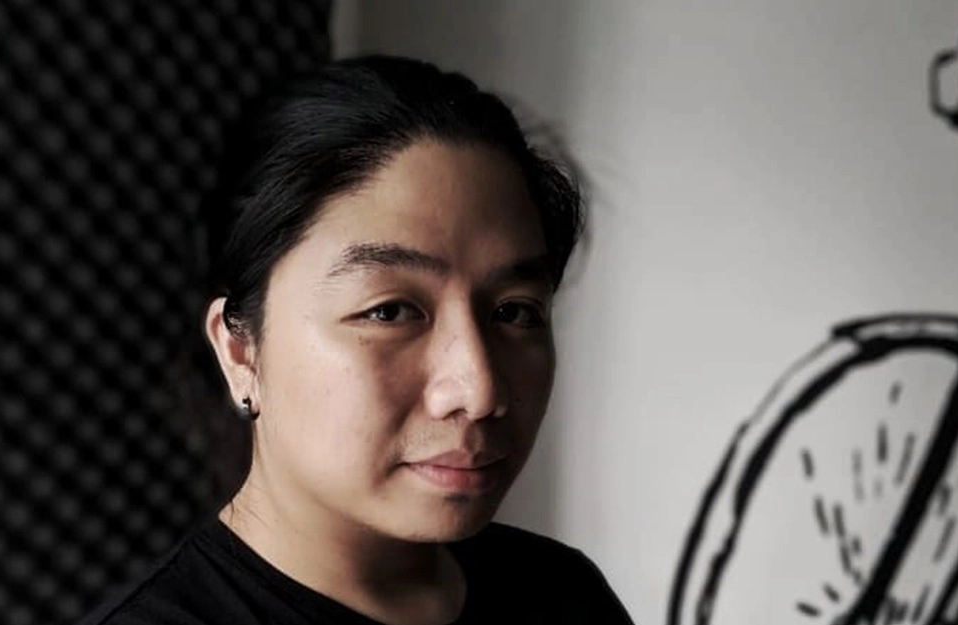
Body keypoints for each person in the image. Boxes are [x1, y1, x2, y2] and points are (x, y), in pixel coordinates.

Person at [77, 55, 635, 625]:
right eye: (389, 311)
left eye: (514, 312)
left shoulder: (563, 593)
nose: (480, 390)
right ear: (241, 351)